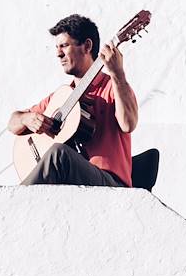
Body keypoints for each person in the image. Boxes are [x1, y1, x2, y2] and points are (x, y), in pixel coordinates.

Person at [8, 14, 138, 187]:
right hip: (74, 184)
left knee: (59, 154)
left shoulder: (115, 86)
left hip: (111, 184)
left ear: (87, 46)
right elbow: (12, 124)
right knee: (58, 154)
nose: (58, 53)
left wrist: (118, 74)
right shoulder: (62, 97)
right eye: (56, 47)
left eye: (64, 45)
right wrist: (27, 119)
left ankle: (18, 201)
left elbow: (128, 124)